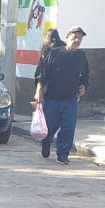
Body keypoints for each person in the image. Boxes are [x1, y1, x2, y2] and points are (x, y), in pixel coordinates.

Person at [33, 26, 89, 164]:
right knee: (50, 127)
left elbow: (85, 74)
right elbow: (42, 73)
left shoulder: (81, 56)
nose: (77, 40)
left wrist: (84, 85)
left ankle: (63, 155)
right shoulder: (54, 53)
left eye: (80, 38)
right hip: (52, 99)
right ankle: (46, 143)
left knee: (68, 128)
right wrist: (39, 89)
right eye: (75, 37)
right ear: (67, 37)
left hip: (70, 99)